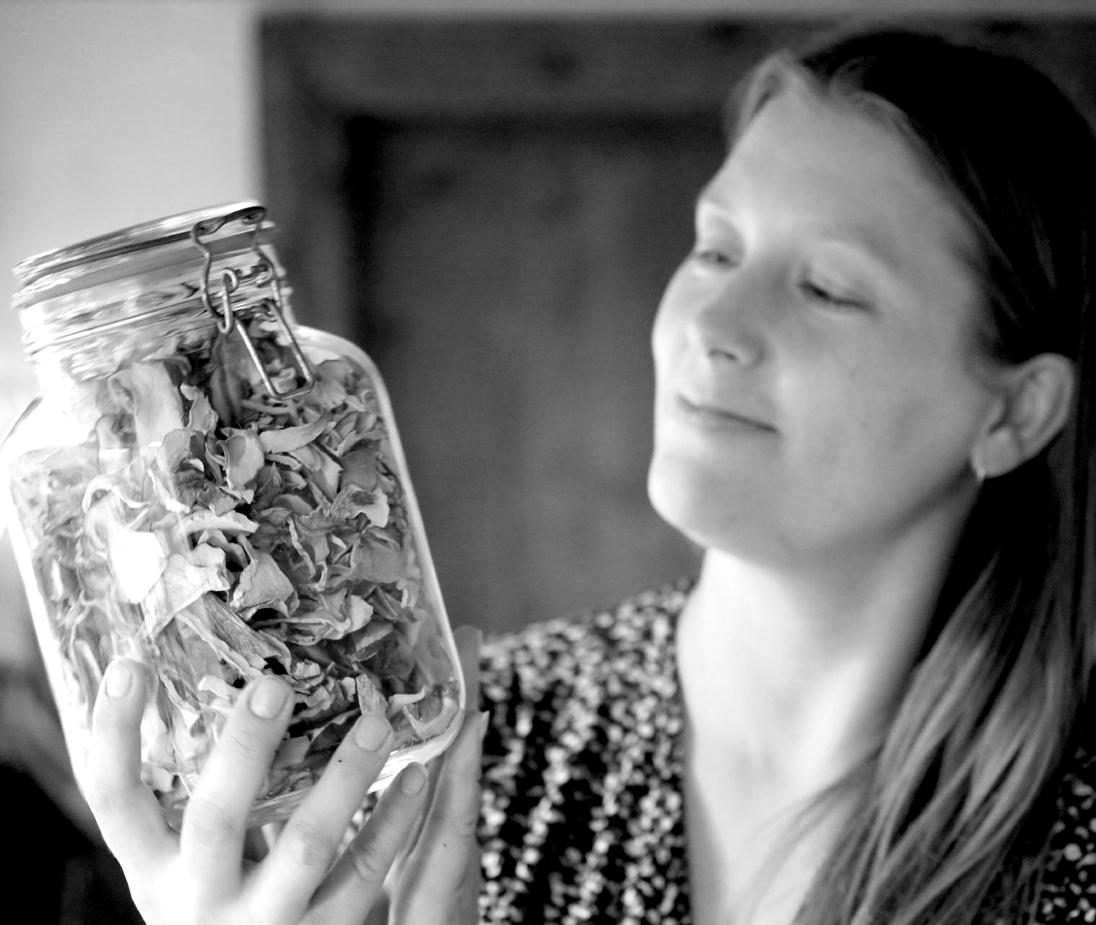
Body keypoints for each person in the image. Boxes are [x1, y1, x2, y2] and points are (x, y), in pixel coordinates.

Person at [81, 23, 1096, 925]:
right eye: (715, 250)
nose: (711, 323)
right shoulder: (429, 756)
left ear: (1015, 412)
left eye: (827, 287)